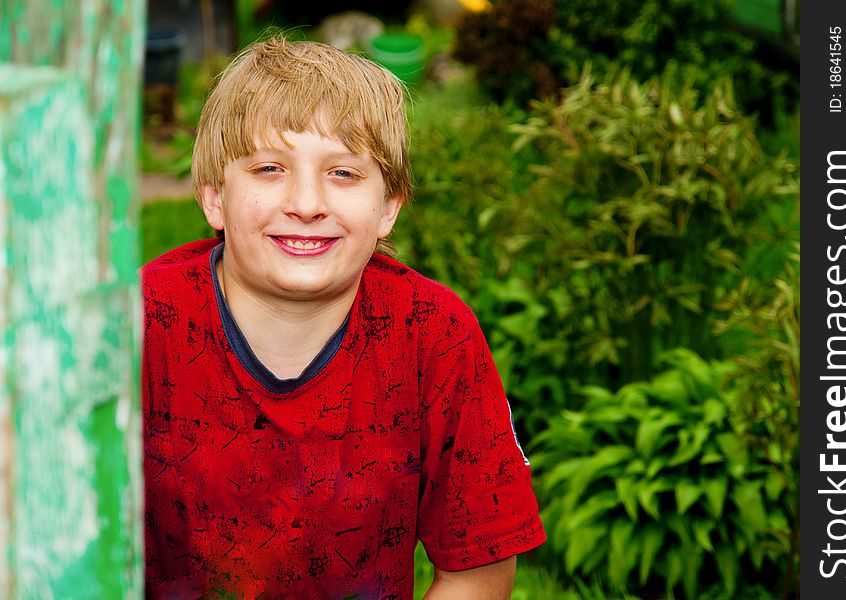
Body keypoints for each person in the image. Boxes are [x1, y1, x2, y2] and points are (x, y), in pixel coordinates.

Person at [141, 36, 546, 599]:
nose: (307, 204)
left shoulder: (433, 334)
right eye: (268, 168)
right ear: (213, 198)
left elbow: (478, 569)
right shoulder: (140, 327)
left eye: (344, 173)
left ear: (388, 207)